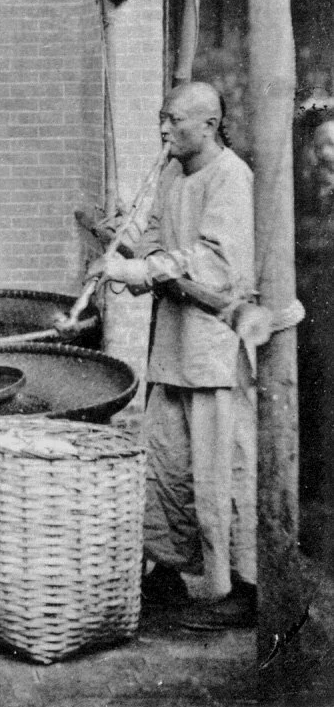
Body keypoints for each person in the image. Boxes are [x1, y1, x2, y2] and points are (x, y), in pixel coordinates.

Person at [91, 80, 258, 630]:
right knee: (164, 466)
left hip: (214, 350)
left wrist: (139, 269)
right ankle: (165, 573)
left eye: (174, 121)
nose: (163, 130)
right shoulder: (170, 174)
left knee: (222, 475)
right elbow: (159, 240)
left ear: (208, 125)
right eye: (162, 118)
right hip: (170, 348)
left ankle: (246, 586)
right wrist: (132, 247)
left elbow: (216, 266)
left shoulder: (233, 177)